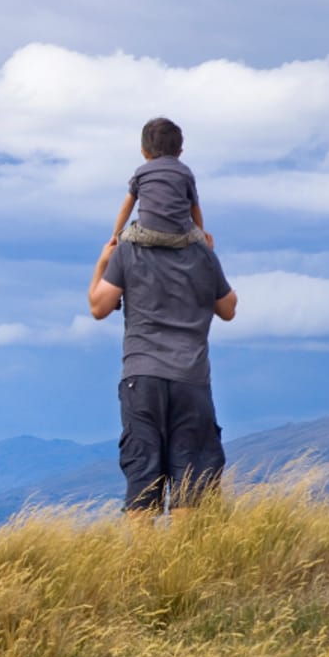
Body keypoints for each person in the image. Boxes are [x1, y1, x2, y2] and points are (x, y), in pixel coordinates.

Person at [88, 191, 237, 524]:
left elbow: (99, 307)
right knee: (192, 479)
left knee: (143, 475)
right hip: (191, 379)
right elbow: (228, 309)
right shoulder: (202, 256)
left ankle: (145, 569)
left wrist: (102, 264)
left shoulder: (127, 252)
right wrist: (211, 256)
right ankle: (184, 566)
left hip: (141, 378)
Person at [109, 117, 208, 250]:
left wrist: (116, 234)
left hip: (146, 234)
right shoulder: (185, 173)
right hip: (179, 236)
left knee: (123, 239)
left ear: (143, 151)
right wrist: (201, 236)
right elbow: (194, 207)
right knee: (203, 240)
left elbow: (127, 205)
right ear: (180, 152)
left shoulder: (141, 172)